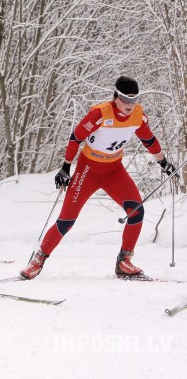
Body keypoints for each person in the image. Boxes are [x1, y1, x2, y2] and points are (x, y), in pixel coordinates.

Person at [20, 76, 177, 280]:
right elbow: (76, 138)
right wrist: (65, 167)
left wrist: (164, 163)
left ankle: (124, 261)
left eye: (134, 99)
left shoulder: (138, 116)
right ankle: (38, 259)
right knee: (66, 221)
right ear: (116, 97)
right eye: (125, 99)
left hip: (114, 171)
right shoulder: (100, 114)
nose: (130, 104)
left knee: (136, 211)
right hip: (88, 171)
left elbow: (149, 140)